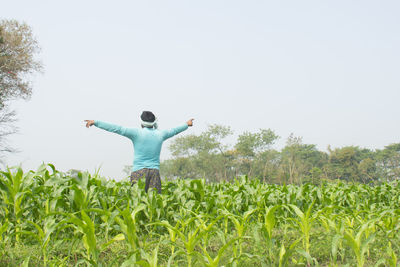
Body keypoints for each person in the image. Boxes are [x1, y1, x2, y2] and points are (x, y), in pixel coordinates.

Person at [84, 111, 194, 193]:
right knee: (153, 204)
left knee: (137, 203)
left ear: (142, 122)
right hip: (154, 172)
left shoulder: (136, 133)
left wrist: (96, 122)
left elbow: (117, 128)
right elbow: (174, 130)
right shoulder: (161, 134)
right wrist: (186, 124)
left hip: (138, 172)